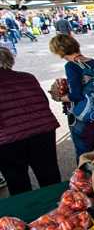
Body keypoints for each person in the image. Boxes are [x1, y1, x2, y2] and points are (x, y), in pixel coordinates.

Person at [0, 47, 61, 195]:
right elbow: (43, 102)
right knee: (49, 174)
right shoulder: (27, 77)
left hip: (9, 139)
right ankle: (60, 209)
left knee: (17, 181)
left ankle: (27, 214)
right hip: (42, 130)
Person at [49, 34, 94, 161]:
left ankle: (83, 179)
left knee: (83, 152)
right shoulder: (93, 62)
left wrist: (58, 98)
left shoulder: (71, 66)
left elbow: (76, 95)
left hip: (82, 115)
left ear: (59, 51)